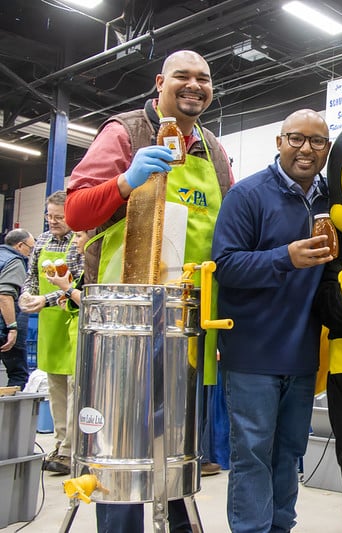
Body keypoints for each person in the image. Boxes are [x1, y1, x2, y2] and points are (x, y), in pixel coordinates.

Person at [65, 49, 233, 533]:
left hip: (190, 326)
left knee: (178, 453)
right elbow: (76, 211)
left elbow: (227, 239)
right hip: (124, 328)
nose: (194, 85)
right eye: (182, 76)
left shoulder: (214, 151)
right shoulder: (125, 132)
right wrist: (124, 181)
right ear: (160, 82)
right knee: (122, 455)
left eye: (204, 78)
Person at [211, 109, 333, 533]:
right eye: (296, 138)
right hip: (253, 355)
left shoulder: (332, 200)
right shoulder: (247, 195)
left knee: (289, 453)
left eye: (317, 141)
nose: (306, 149)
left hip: (302, 356)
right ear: (279, 142)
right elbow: (225, 265)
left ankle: (280, 527)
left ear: (327, 149)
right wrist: (286, 257)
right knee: (252, 454)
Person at [19, 191, 83, 475]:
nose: (53, 221)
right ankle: (59, 443)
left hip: (71, 319)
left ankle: (71, 449)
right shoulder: (42, 241)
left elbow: (79, 282)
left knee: (74, 386)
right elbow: (31, 275)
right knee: (56, 386)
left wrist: (45, 299)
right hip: (48, 323)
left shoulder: (79, 241)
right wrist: (27, 295)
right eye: (49, 216)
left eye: (59, 217)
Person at [0, 229, 36, 389]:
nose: (31, 253)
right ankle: (12, 415)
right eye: (31, 248)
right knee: (18, 374)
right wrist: (12, 328)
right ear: (20, 245)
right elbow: (5, 296)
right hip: (4, 329)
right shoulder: (14, 261)